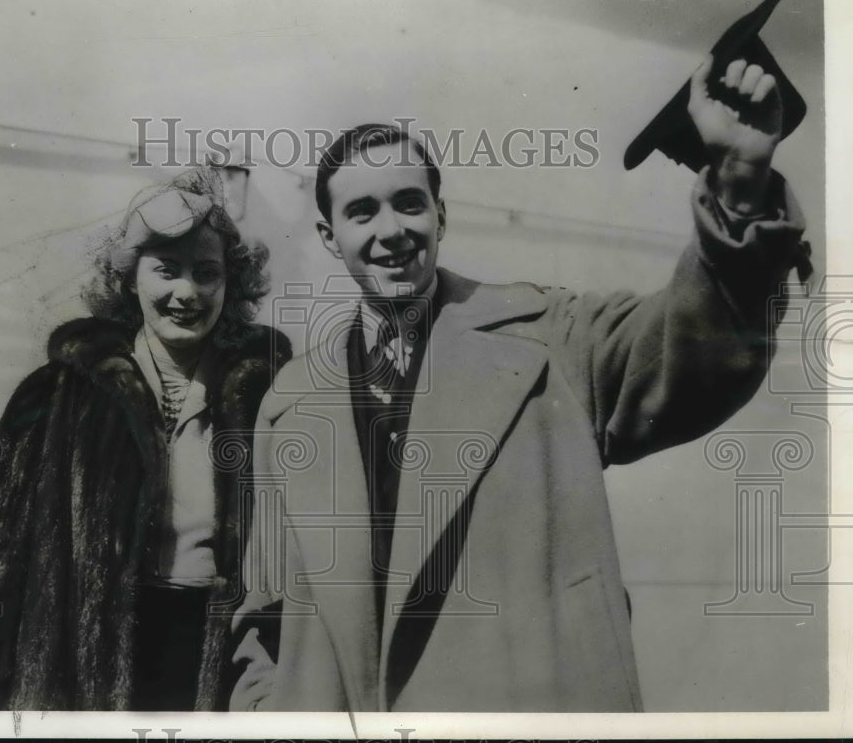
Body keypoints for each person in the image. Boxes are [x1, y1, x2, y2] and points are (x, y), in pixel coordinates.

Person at [228, 55, 812, 711]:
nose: (391, 230)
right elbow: (267, 611)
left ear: (440, 218)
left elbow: (694, 347)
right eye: (362, 211)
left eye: (409, 204)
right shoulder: (291, 402)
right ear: (330, 237)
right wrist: (265, 710)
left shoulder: (550, 336)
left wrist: (740, 182)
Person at [0, 167, 292, 711]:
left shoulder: (269, 400)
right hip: (80, 667)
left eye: (206, 272)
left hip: (220, 667)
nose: (186, 292)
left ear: (230, 284)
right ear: (130, 278)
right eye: (166, 270)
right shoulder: (57, 396)